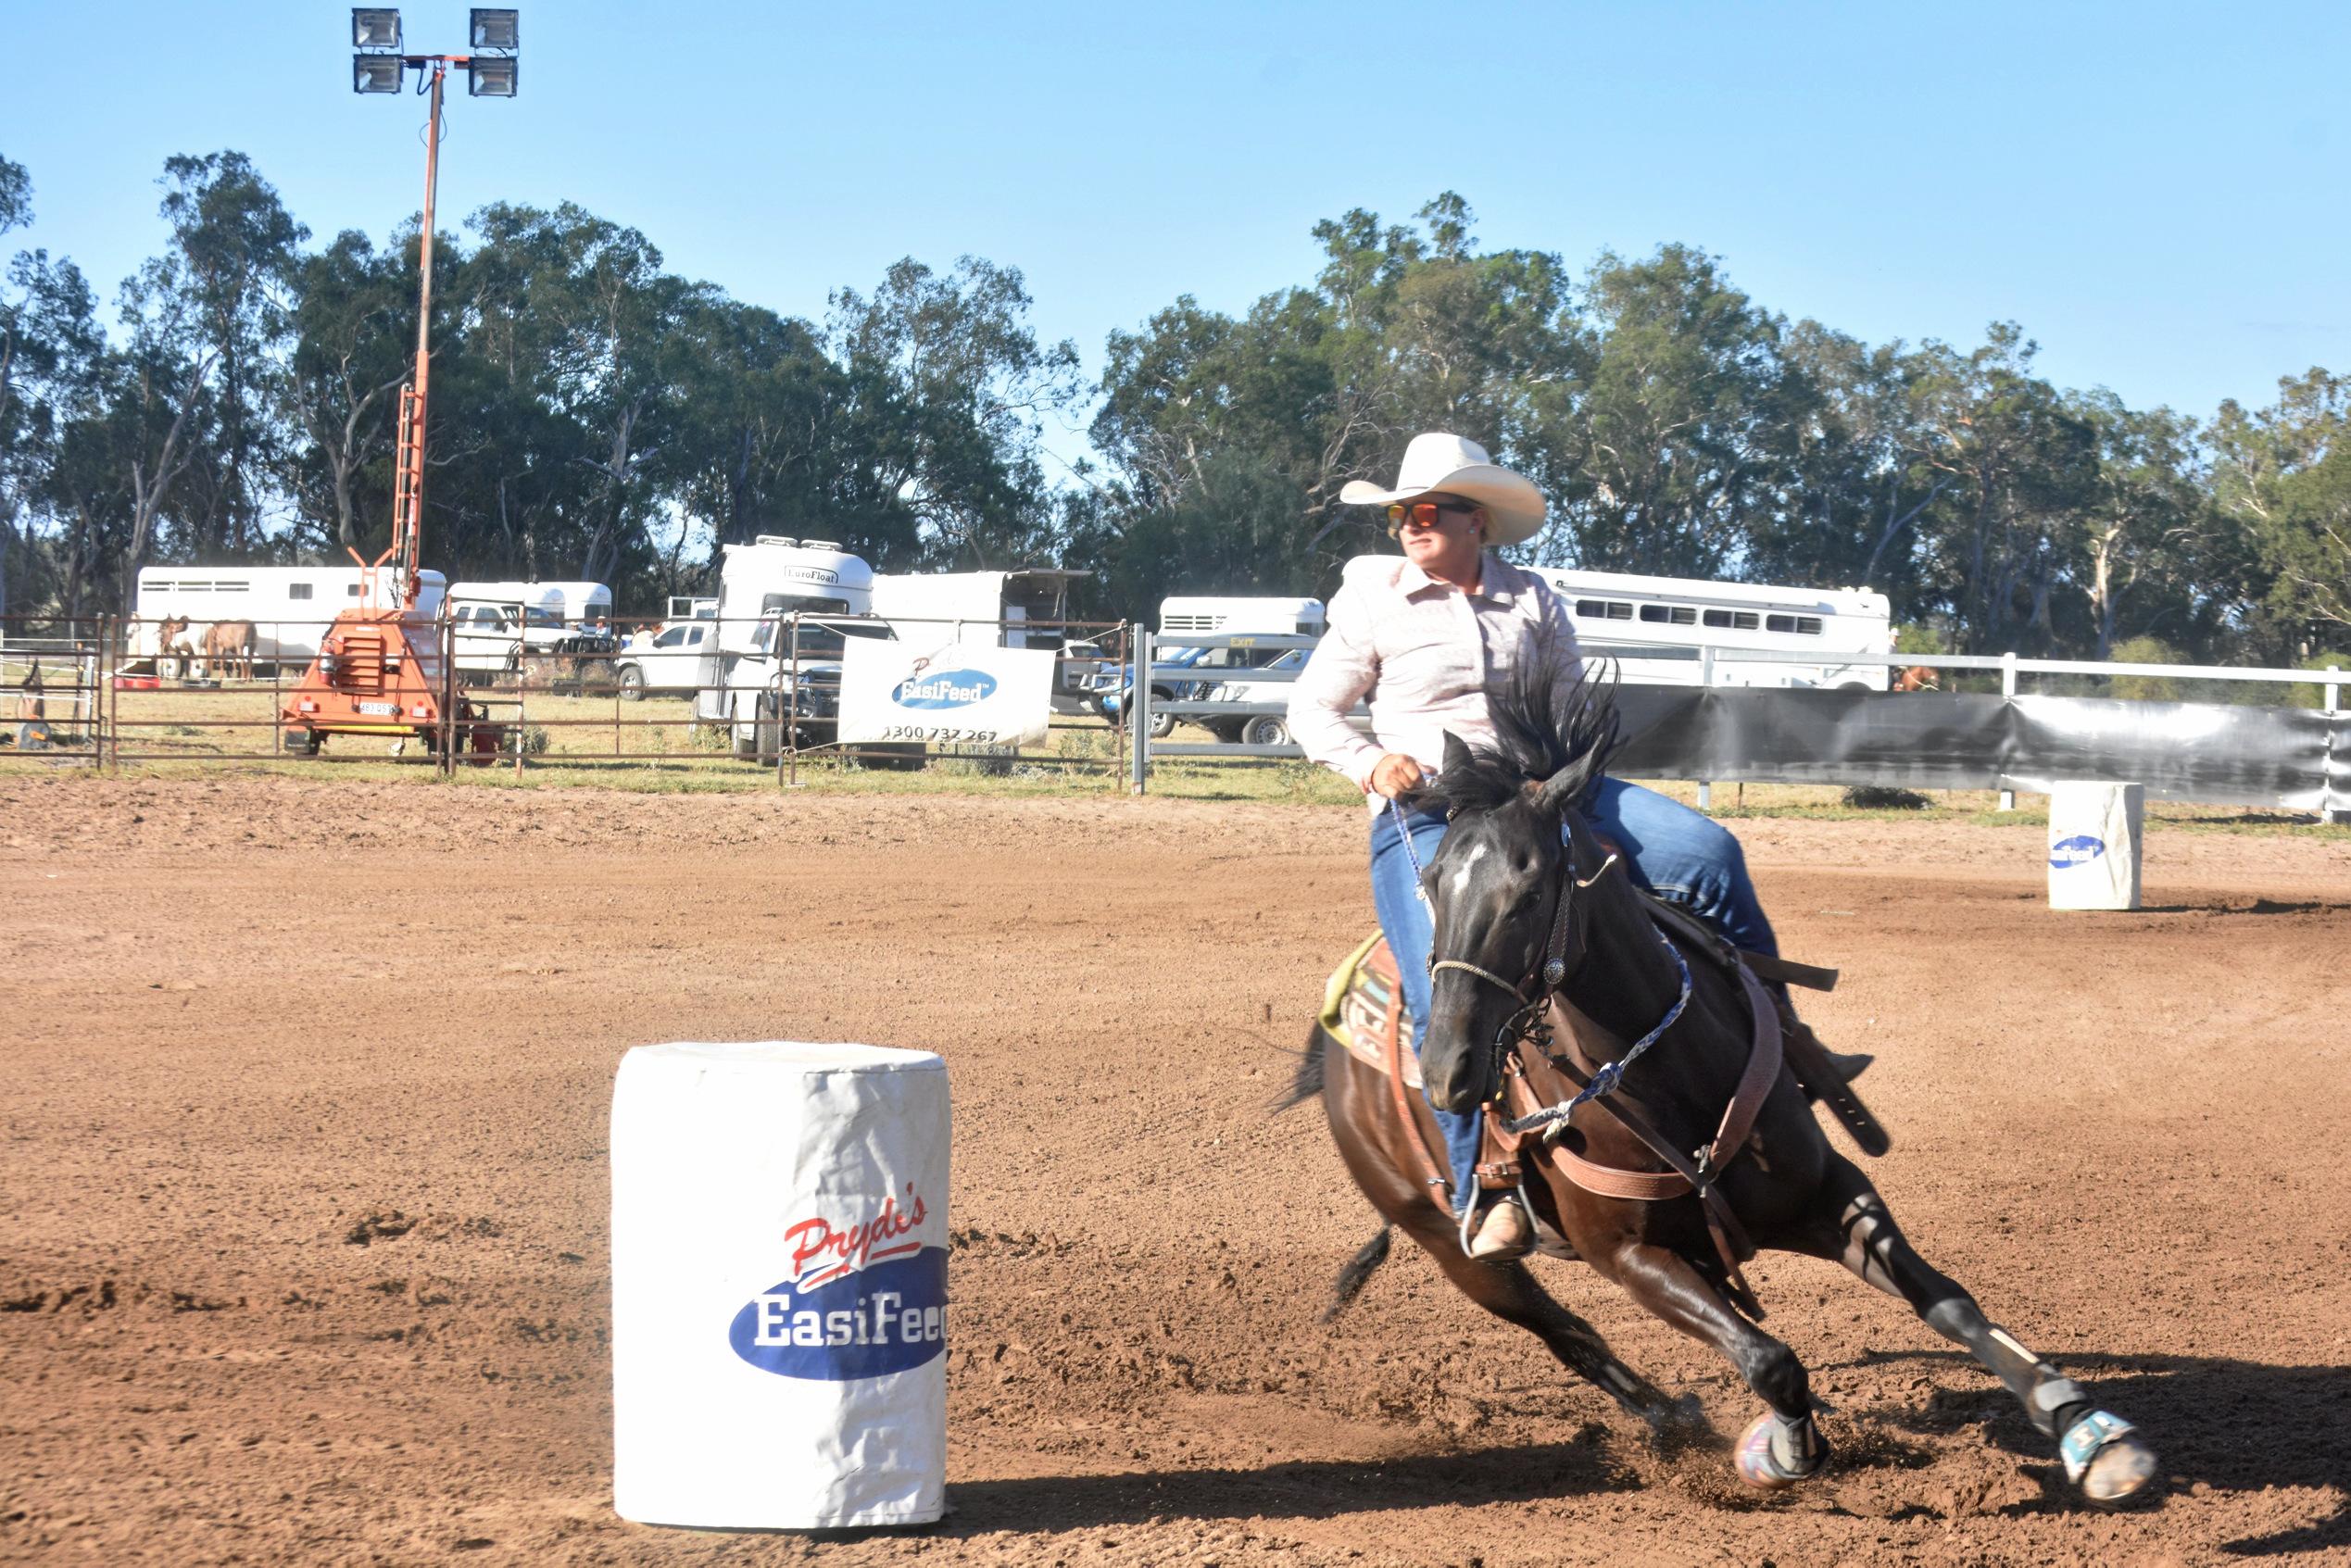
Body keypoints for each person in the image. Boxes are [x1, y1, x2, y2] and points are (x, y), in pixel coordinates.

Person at [1288, 433, 1782, 1262]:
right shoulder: (1371, 599)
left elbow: (1567, 701)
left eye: (1426, 511)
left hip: (1547, 797)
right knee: (1438, 978)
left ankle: (1781, 1050)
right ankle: (1484, 1185)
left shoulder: (1534, 599)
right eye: (1400, 514)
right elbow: (1312, 712)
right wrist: (1375, 763)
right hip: (1433, 811)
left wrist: (1566, 774)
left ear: (1474, 520)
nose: (1409, 525)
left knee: (1709, 852)